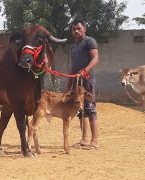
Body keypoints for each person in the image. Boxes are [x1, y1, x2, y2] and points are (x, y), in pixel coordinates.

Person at [67, 20, 99, 149]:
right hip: (76, 81)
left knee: (90, 108)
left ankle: (94, 141)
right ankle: (84, 139)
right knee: (80, 109)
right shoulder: (74, 45)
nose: (76, 31)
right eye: (74, 29)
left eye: (78, 28)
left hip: (87, 79)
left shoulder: (89, 41)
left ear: (84, 28)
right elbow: (73, 67)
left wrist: (85, 71)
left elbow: (95, 58)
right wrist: (68, 84)